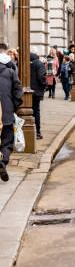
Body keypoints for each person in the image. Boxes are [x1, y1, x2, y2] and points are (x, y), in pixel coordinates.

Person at [0, 43, 23, 182]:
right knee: (7, 141)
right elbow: (18, 92)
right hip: (7, 112)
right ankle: (3, 161)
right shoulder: (10, 72)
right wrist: (14, 106)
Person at [30, 48, 46, 140]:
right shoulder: (39, 63)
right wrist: (44, 87)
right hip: (36, 92)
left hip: (25, 92)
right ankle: (38, 132)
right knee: (36, 111)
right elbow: (42, 77)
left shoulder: (24, 62)